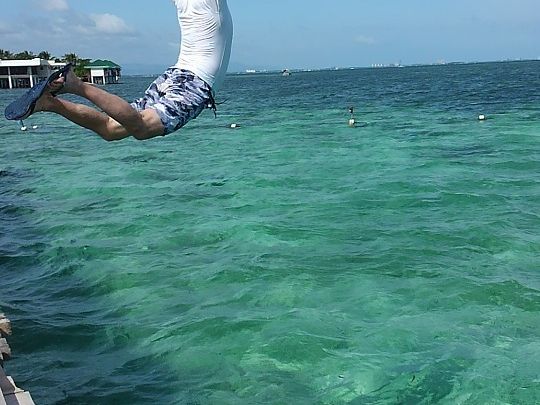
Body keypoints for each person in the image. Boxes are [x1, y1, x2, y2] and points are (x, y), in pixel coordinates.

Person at [32, 0, 233, 141]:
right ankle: (76, 85)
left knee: (111, 129)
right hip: (195, 81)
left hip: (176, 74)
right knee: (142, 128)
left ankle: (50, 103)